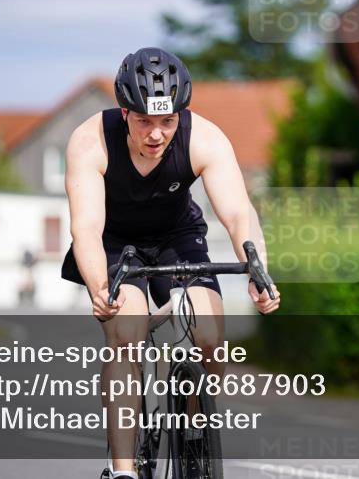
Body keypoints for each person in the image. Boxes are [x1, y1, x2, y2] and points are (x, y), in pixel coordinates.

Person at [60, 47, 280, 479]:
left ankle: (194, 435)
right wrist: (99, 289)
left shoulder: (205, 137)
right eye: (144, 121)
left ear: (182, 112)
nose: (157, 134)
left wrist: (258, 269)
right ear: (125, 112)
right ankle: (123, 469)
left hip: (176, 238)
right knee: (127, 332)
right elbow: (85, 227)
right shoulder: (90, 141)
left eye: (167, 121)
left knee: (211, 337)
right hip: (114, 242)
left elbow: (237, 213)